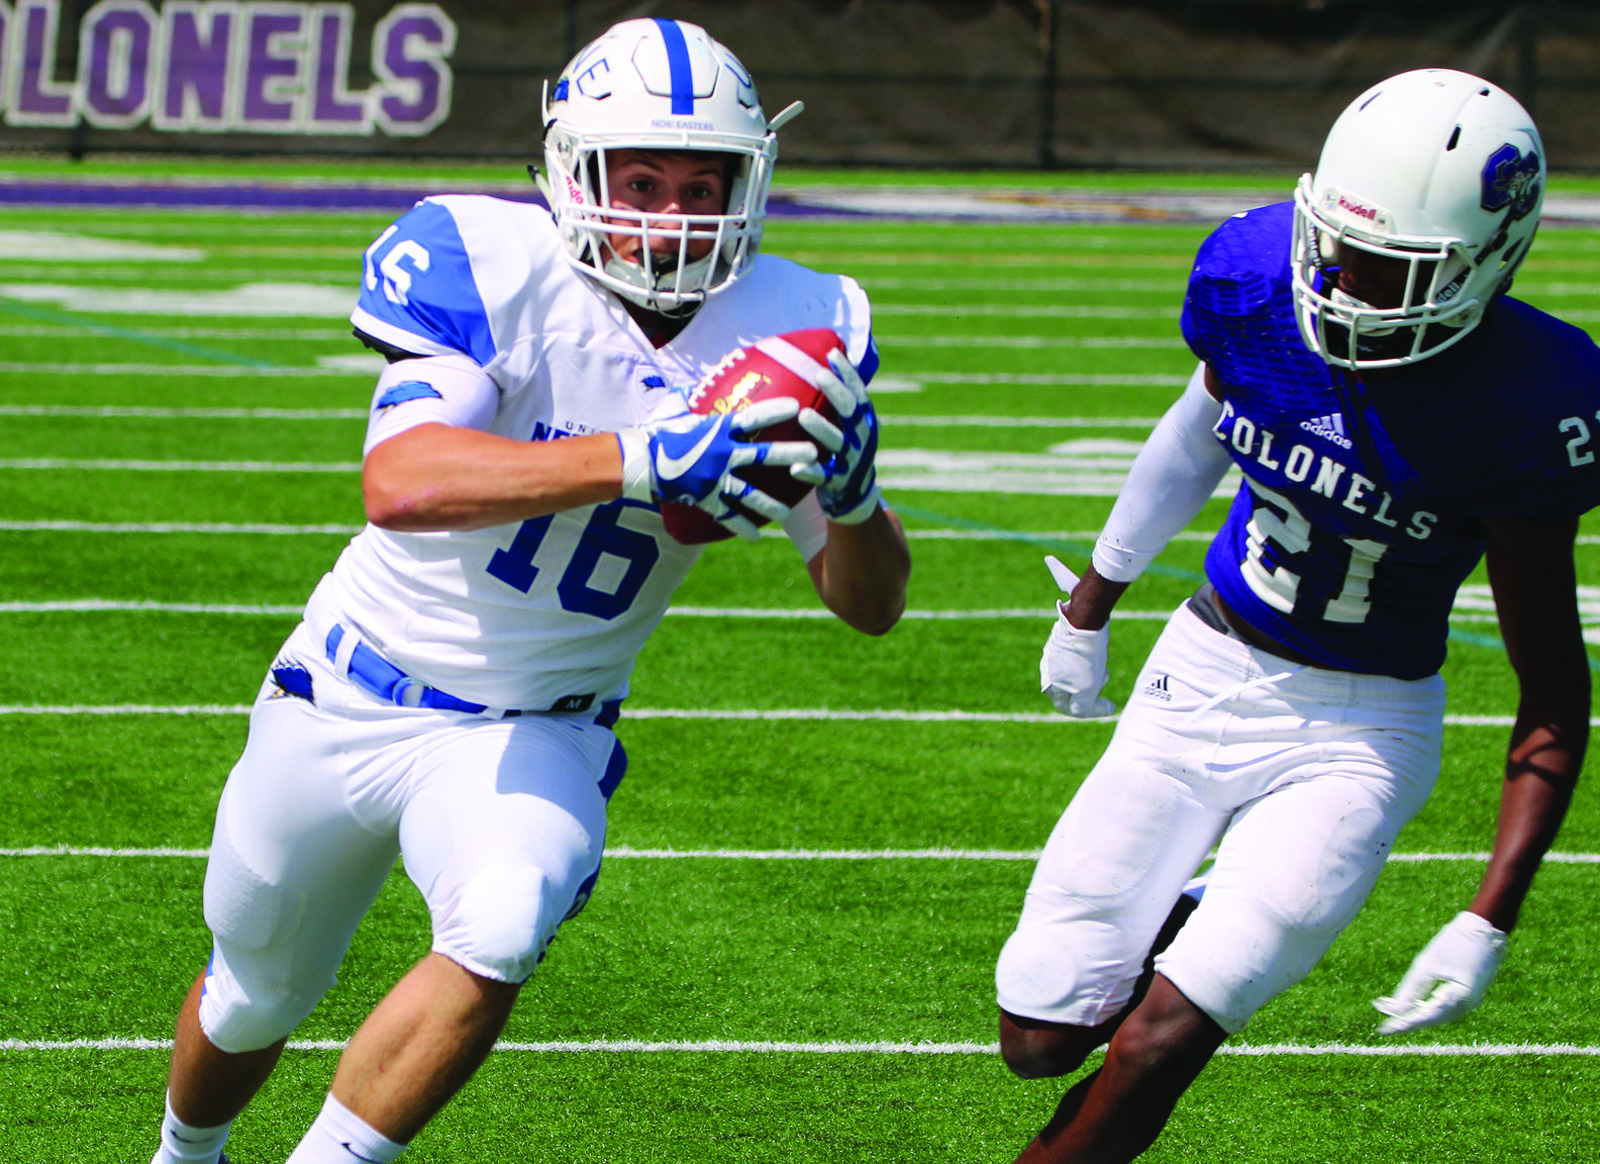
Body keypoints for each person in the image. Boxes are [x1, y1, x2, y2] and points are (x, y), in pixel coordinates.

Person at [148, 18, 910, 1164]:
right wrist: (642, 456)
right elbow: (400, 482)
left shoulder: (799, 326)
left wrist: (853, 505)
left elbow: (870, 603)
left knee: (500, 926)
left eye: (701, 180)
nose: (671, 213)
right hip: (347, 688)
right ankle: (182, 1155)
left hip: (535, 728)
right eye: (639, 178)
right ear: (570, 170)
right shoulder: (489, 263)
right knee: (252, 994)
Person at [994, 68, 1594, 1162]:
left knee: (1156, 1043)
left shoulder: (1526, 399)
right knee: (1036, 1039)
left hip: (1358, 733)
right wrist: (1092, 602)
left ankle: (1227, 920)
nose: (1348, 287)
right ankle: (1204, 906)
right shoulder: (1256, 275)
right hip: (1202, 665)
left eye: (1392, 269)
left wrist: (1486, 914)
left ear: (1489, 259)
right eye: (1339, 250)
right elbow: (1189, 436)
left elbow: (1553, 689)